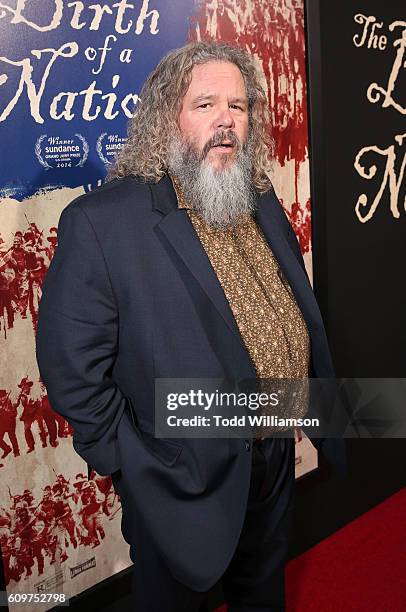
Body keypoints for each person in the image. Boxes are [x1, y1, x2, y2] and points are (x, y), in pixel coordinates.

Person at [36, 41, 344, 611]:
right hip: (181, 480)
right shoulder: (103, 223)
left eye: (240, 105)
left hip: (273, 452)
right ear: (166, 117)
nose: (227, 120)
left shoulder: (258, 195)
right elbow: (71, 368)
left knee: (262, 593)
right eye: (205, 104)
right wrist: (132, 465)